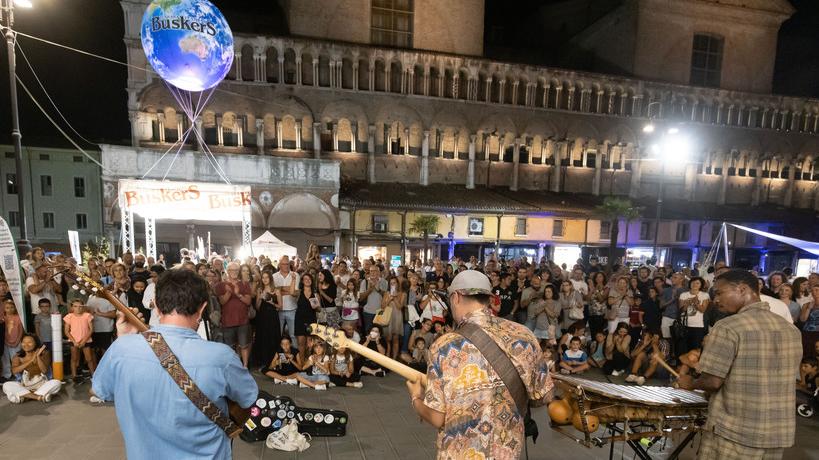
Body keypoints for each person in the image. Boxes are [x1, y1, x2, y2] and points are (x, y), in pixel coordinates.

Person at [92, 269, 258, 460]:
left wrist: (123, 339)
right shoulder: (221, 357)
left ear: (157, 308)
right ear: (203, 308)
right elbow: (247, 398)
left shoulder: (121, 349)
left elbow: (101, 391)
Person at [405, 270, 552, 459]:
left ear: (456, 297)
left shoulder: (444, 346)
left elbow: (436, 417)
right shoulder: (523, 335)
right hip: (507, 452)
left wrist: (416, 398)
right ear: (488, 299)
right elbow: (543, 396)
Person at [677, 269, 801, 460]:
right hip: (776, 432)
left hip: (735, 430)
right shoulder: (791, 330)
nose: (716, 299)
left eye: (719, 293)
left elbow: (712, 382)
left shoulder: (728, 327)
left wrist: (690, 383)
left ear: (743, 289)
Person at [2, 333, 61, 403]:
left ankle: (25, 396)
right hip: (25, 385)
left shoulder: (45, 353)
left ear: (36, 343)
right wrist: (30, 361)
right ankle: (38, 397)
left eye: (29, 342)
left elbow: (44, 371)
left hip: (41, 384)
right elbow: (14, 371)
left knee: (57, 383)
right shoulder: (18, 356)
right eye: (23, 342)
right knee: (6, 385)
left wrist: (38, 356)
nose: (26, 345)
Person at [215, 262, 253, 367]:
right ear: (227, 271)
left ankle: (245, 366)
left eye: (236, 270)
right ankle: (234, 366)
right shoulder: (220, 285)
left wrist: (238, 294)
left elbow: (248, 302)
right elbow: (222, 302)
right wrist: (229, 292)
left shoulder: (244, 284)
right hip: (228, 320)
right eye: (232, 270)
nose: (234, 272)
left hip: (243, 320)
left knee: (244, 345)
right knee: (230, 346)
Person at [251, 271, 281, 368]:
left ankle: (273, 361)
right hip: (262, 317)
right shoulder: (260, 290)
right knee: (262, 338)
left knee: (272, 337)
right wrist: (259, 298)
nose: (265, 279)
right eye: (263, 277)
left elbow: (280, 306)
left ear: (270, 278)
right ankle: (263, 362)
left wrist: (271, 302)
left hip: (272, 317)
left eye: (267, 277)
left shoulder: (276, 290)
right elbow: (257, 307)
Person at [63, 300, 96, 382]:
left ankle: (93, 375)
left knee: (89, 359)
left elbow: (91, 330)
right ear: (72, 307)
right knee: (74, 358)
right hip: (73, 341)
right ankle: (74, 376)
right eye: (75, 306)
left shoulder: (87, 315)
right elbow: (66, 331)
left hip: (86, 341)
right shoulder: (69, 316)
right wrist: (74, 341)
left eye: (80, 306)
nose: (78, 308)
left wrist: (84, 341)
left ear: (83, 307)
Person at [294, 273, 320, 359]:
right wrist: (293, 279)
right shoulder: (299, 292)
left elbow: (319, 310)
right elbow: (291, 292)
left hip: (311, 320)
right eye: (305, 279)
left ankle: (308, 364)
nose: (307, 280)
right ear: (302, 281)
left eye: (309, 279)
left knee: (309, 343)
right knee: (301, 343)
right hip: (300, 319)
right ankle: (301, 363)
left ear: (312, 281)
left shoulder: (315, 294)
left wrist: (315, 307)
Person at [273, 257, 299, 337]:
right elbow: (274, 294)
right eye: (283, 264)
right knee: (277, 334)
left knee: (293, 335)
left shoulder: (295, 275)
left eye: (287, 264)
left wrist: (280, 289)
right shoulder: (274, 276)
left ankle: (295, 349)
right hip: (278, 310)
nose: (286, 266)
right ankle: (278, 350)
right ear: (279, 265)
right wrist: (289, 289)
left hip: (292, 309)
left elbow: (295, 292)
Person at [1, 300, 23, 381]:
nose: (9, 309)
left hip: (16, 342)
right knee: (5, 359)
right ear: (4, 309)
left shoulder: (18, 317)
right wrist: (6, 342)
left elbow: (20, 330)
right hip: (5, 343)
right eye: (7, 308)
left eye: (11, 307)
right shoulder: (3, 318)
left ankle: (18, 374)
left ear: (14, 308)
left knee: (16, 358)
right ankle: (7, 375)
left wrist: (17, 341)